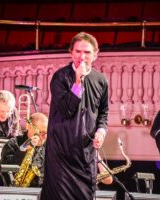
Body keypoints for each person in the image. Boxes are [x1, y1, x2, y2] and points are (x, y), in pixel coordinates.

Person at [43, 32, 109, 200]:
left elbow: (103, 113)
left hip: (85, 156)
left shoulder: (100, 80)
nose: (82, 56)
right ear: (71, 52)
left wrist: (101, 132)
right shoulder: (60, 77)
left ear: (95, 54)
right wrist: (78, 81)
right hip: (61, 155)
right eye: (78, 51)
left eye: (87, 52)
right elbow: (66, 110)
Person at [0, 112, 48, 187]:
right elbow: (6, 166)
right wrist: (23, 149)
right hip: (11, 191)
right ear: (30, 127)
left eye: (46, 133)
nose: (43, 137)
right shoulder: (12, 143)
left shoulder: (48, 148)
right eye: (40, 132)